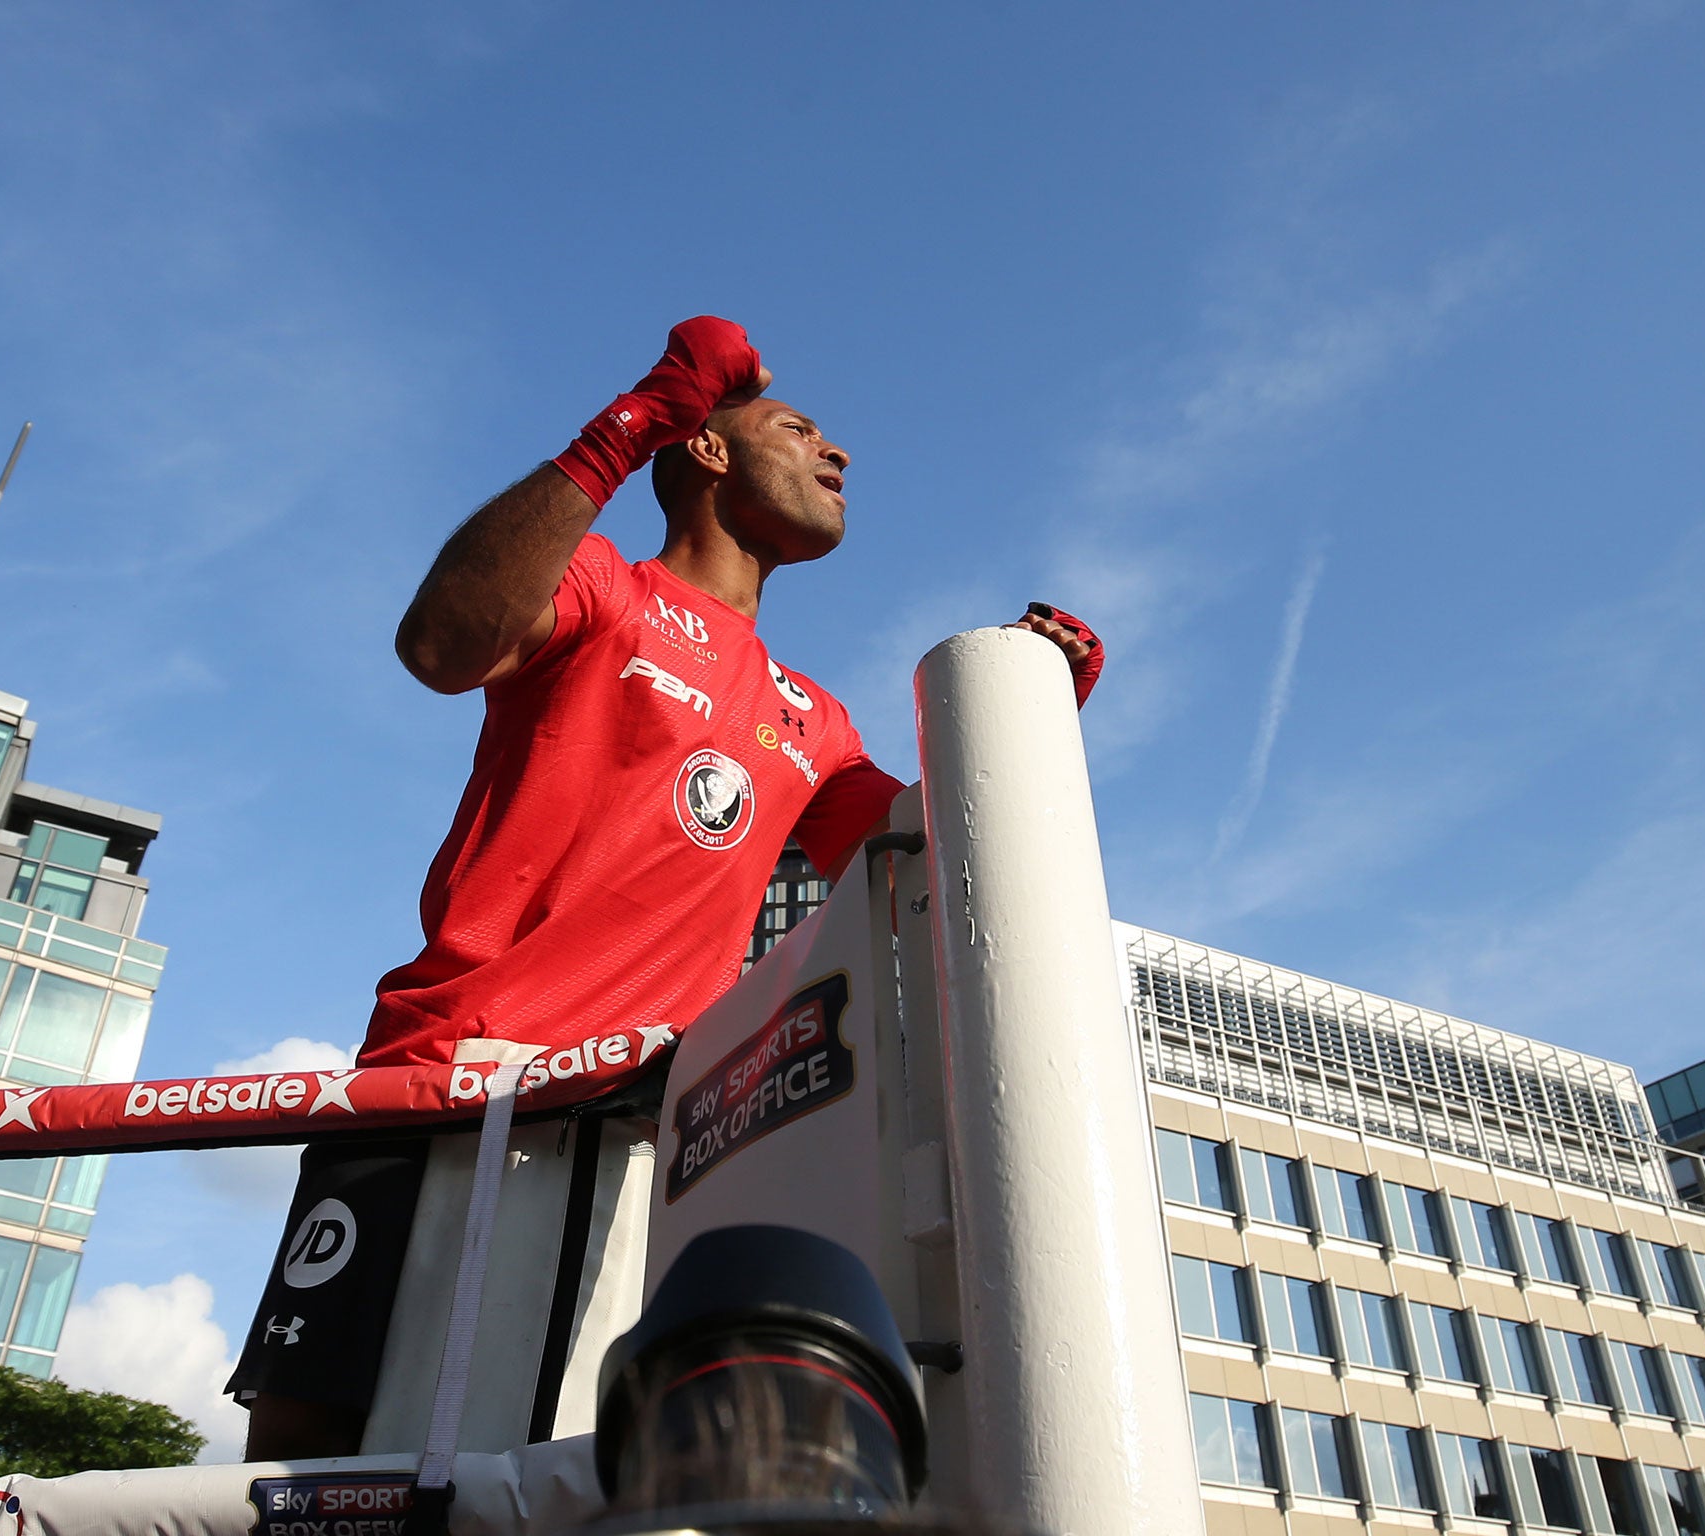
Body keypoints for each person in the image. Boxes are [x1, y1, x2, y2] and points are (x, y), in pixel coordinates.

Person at [227, 318, 1103, 1459]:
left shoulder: (815, 720)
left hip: (631, 1130)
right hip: (443, 1072)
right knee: (306, 1466)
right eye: (798, 430)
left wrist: (1023, 722)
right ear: (705, 454)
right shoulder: (602, 586)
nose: (836, 455)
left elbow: (912, 862)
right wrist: (627, 423)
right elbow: (441, 645)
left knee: (535, 1475)